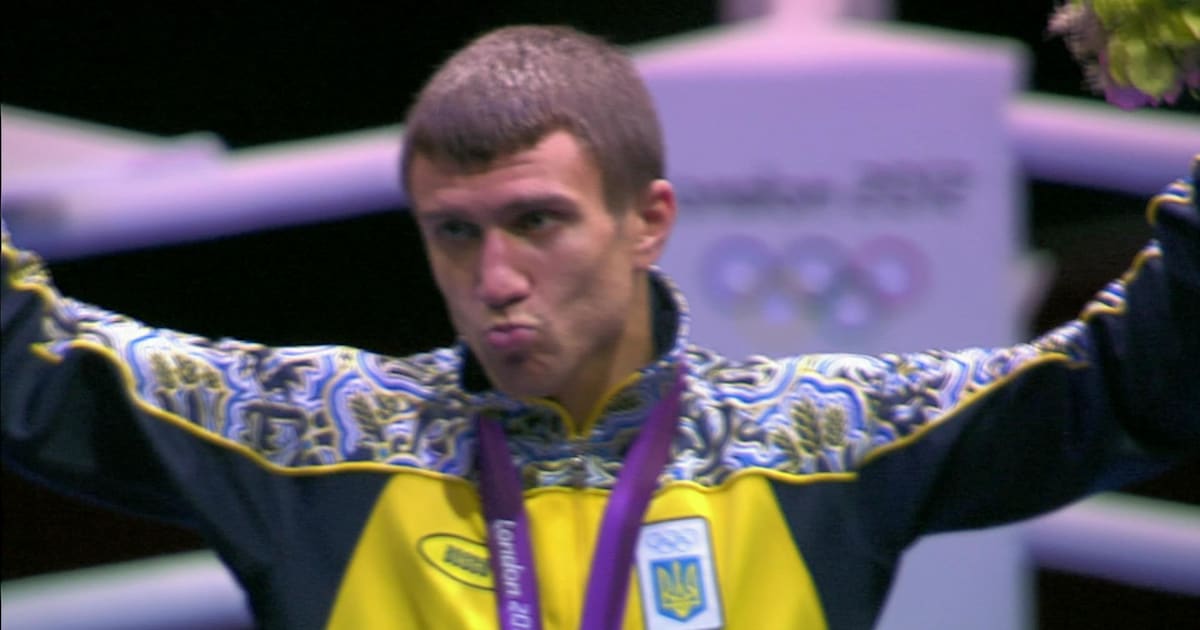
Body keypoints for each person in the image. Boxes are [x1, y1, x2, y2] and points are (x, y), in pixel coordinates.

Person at [2, 24, 1197, 630]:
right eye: (454, 233)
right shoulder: (315, 432)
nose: (496, 279)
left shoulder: (818, 434)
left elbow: (1133, 381)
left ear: (647, 221)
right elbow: (27, 365)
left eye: (538, 222)